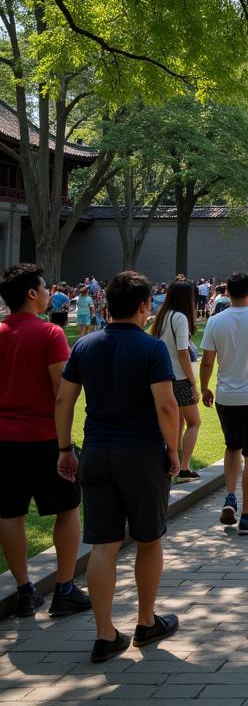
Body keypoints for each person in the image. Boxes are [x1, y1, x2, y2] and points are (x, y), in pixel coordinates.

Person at [54, 271, 180, 663]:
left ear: (105, 303)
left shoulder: (85, 345)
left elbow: (64, 401)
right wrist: (174, 450)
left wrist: (64, 449)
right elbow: (165, 404)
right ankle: (145, 621)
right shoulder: (151, 348)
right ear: (145, 306)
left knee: (103, 544)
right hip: (141, 453)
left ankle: (105, 634)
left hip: (96, 451)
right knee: (148, 538)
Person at [0, 263, 90, 619]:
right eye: (44, 286)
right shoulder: (50, 334)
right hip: (44, 438)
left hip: (4, 439)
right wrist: (66, 446)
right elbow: (61, 393)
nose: (49, 290)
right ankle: (65, 588)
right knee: (67, 508)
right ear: (31, 294)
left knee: (10, 513)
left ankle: (24, 590)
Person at [199, 272, 248, 535]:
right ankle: (247, 515)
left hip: (226, 396)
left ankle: (230, 495)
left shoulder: (216, 321)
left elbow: (208, 360)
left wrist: (204, 387)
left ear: (227, 292)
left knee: (232, 447)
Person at [150, 280, 202, 484]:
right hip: (179, 378)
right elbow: (182, 352)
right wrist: (193, 382)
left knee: (175, 425)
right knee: (194, 422)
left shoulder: (163, 316)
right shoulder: (179, 317)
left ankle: (173, 466)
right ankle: (184, 469)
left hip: (164, 377)